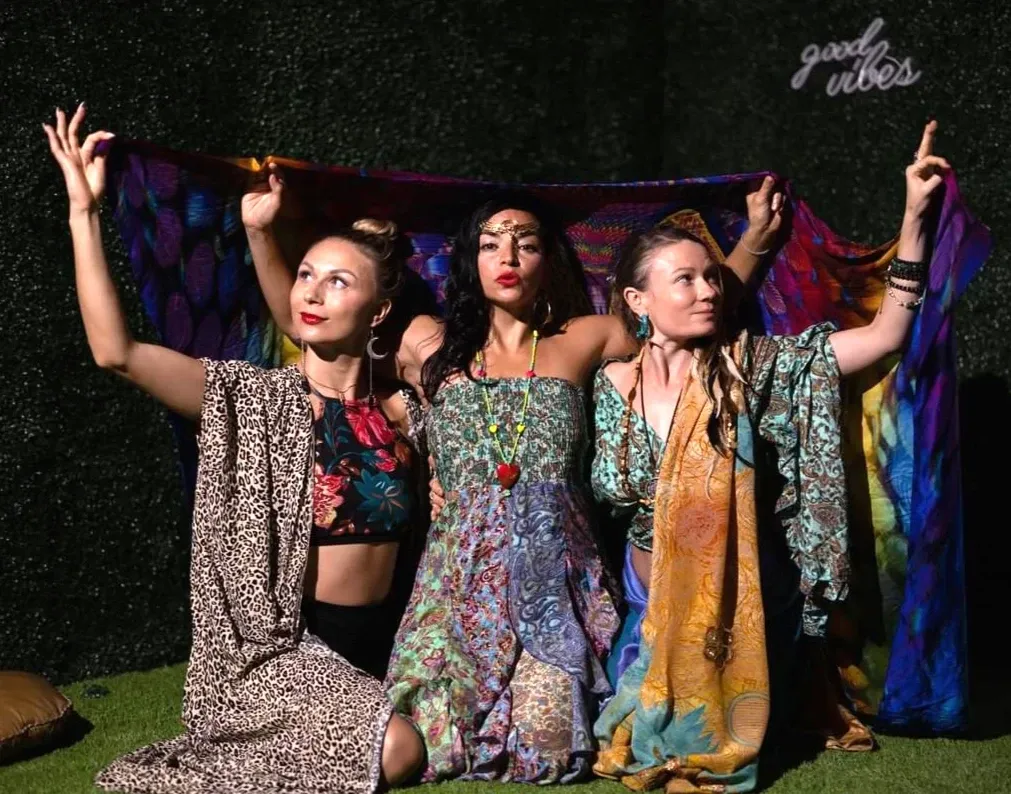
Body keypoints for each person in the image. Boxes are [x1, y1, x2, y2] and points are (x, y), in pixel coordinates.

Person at [248, 173, 784, 782]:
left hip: (555, 583)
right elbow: (308, 323)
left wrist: (757, 241)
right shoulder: (427, 341)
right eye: (490, 243)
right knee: (427, 743)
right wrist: (260, 232)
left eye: (525, 243)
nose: (508, 257)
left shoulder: (588, 338)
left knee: (549, 751)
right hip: (456, 583)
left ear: (545, 258)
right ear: (469, 258)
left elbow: (686, 310)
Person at [44, 104, 424, 794]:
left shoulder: (403, 410)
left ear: (380, 311)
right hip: (281, 651)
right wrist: (82, 213)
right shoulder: (250, 399)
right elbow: (116, 352)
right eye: (306, 275)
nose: (312, 292)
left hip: (391, 642)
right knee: (398, 752)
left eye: (338, 281)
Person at [591, 121, 948, 792]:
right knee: (627, 731)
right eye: (684, 280)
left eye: (709, 278)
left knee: (707, 740)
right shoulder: (610, 384)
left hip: (739, 613)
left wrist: (914, 216)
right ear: (638, 302)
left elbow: (886, 335)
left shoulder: (755, 368)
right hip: (646, 612)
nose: (704, 290)